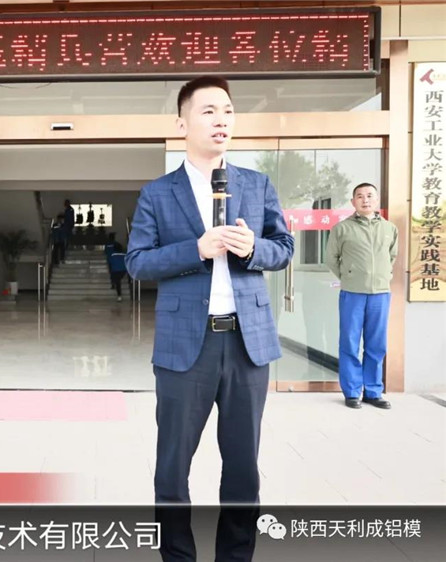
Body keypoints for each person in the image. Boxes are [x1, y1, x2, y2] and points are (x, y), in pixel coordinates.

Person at [125, 76, 294, 562]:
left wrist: (253, 248)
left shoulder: (256, 184)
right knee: (172, 468)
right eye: (208, 111)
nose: (222, 120)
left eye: (228, 111)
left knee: (243, 468)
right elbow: (137, 262)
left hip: (247, 345)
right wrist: (195, 249)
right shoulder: (158, 193)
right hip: (185, 347)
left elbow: (283, 248)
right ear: (182, 123)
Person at [325, 183, 398, 410]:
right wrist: (349, 277)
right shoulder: (342, 228)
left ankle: (374, 392)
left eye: (369, 196)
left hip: (380, 294)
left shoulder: (389, 228)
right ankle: (352, 392)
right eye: (359, 196)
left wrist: (383, 276)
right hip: (352, 294)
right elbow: (331, 258)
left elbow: (392, 256)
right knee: (350, 342)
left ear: (377, 200)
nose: (365, 200)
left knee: (377, 344)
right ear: (353, 202)